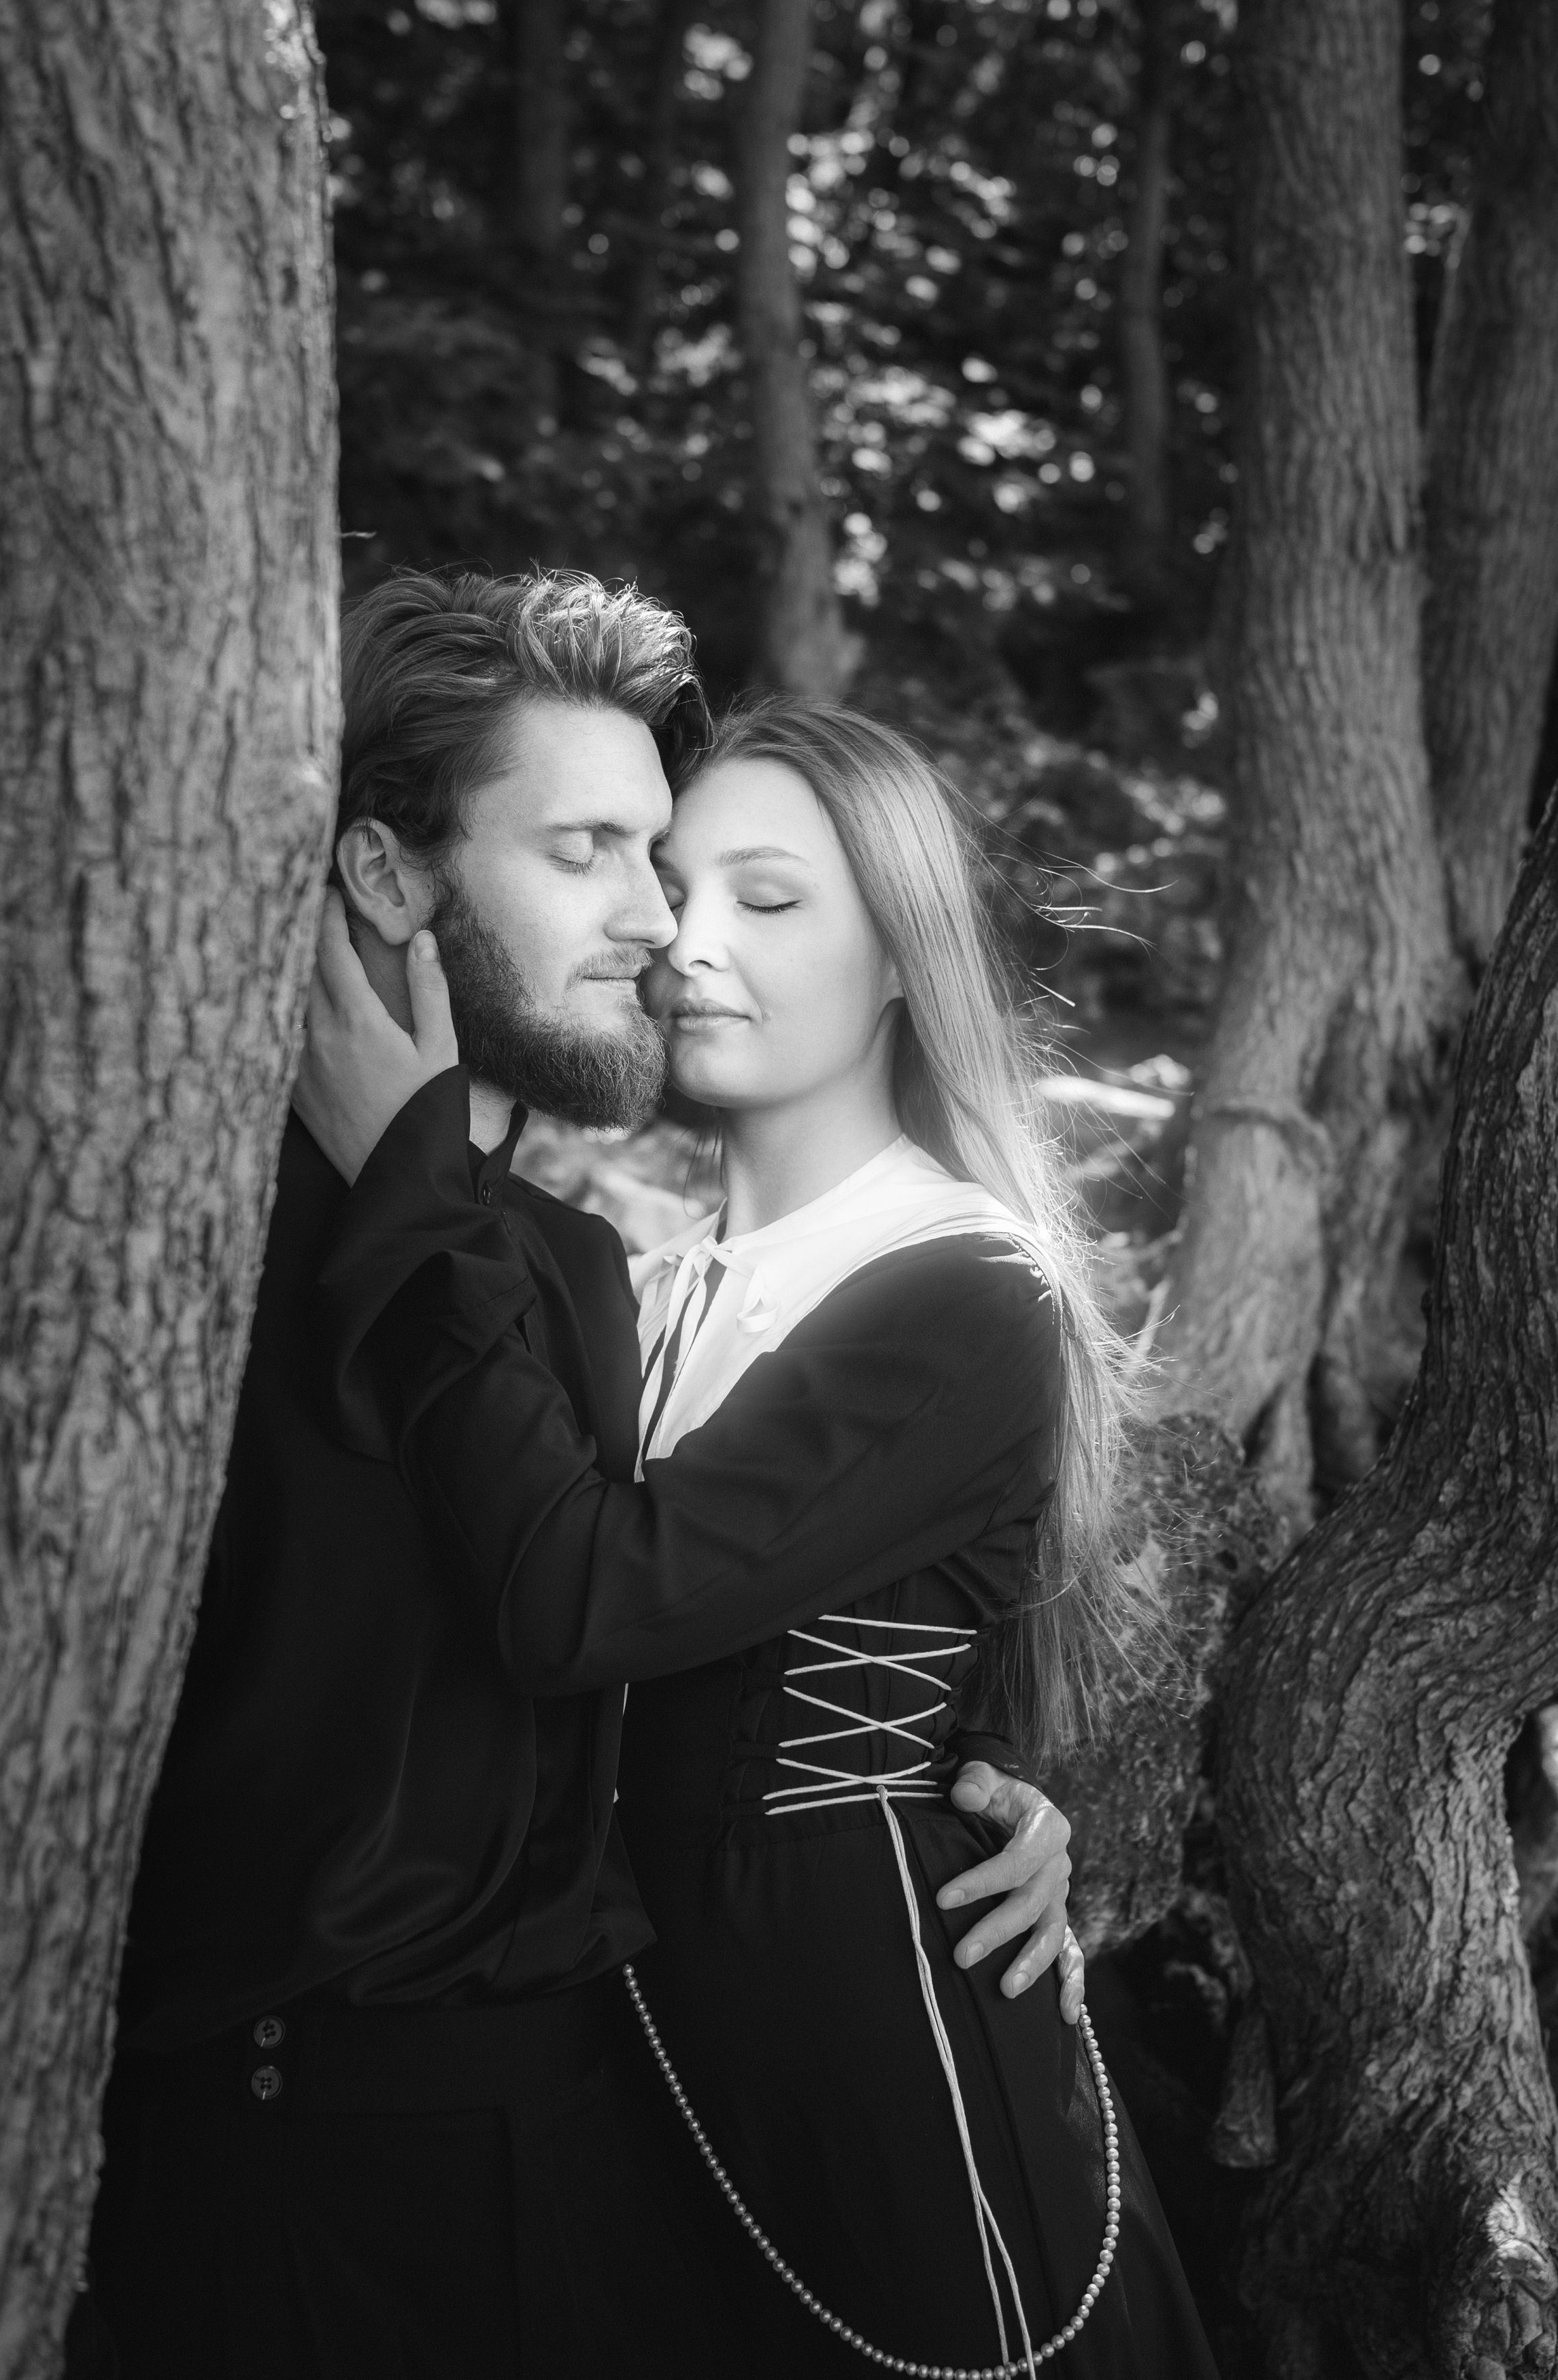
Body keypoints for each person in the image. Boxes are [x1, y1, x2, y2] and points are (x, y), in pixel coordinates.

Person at [78, 571, 1081, 2380]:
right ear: (387, 877)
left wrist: (960, 1775)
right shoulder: (187, 1244)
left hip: (621, 2142)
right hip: (296, 2162)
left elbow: (662, 1618)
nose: (659, 923)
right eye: (595, 854)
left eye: (682, 868)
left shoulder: (563, 1269)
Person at [294, 690, 1220, 2376]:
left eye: (769, 899)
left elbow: (587, 1602)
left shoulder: (967, 1287)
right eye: (669, 884)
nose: (685, 940)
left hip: (883, 2089)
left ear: (903, 956)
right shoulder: (624, 1288)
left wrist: (407, 1186)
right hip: (627, 2092)